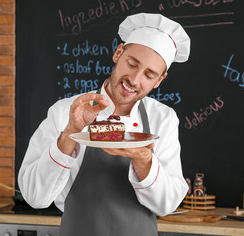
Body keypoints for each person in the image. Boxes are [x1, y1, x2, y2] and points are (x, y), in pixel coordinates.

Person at [18, 12, 191, 236]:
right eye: (131, 63)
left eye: (149, 75)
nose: (134, 80)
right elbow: (34, 197)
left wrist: (144, 159)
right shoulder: (65, 111)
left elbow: (167, 206)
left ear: (159, 80)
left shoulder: (163, 119)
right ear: (118, 53)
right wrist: (70, 134)